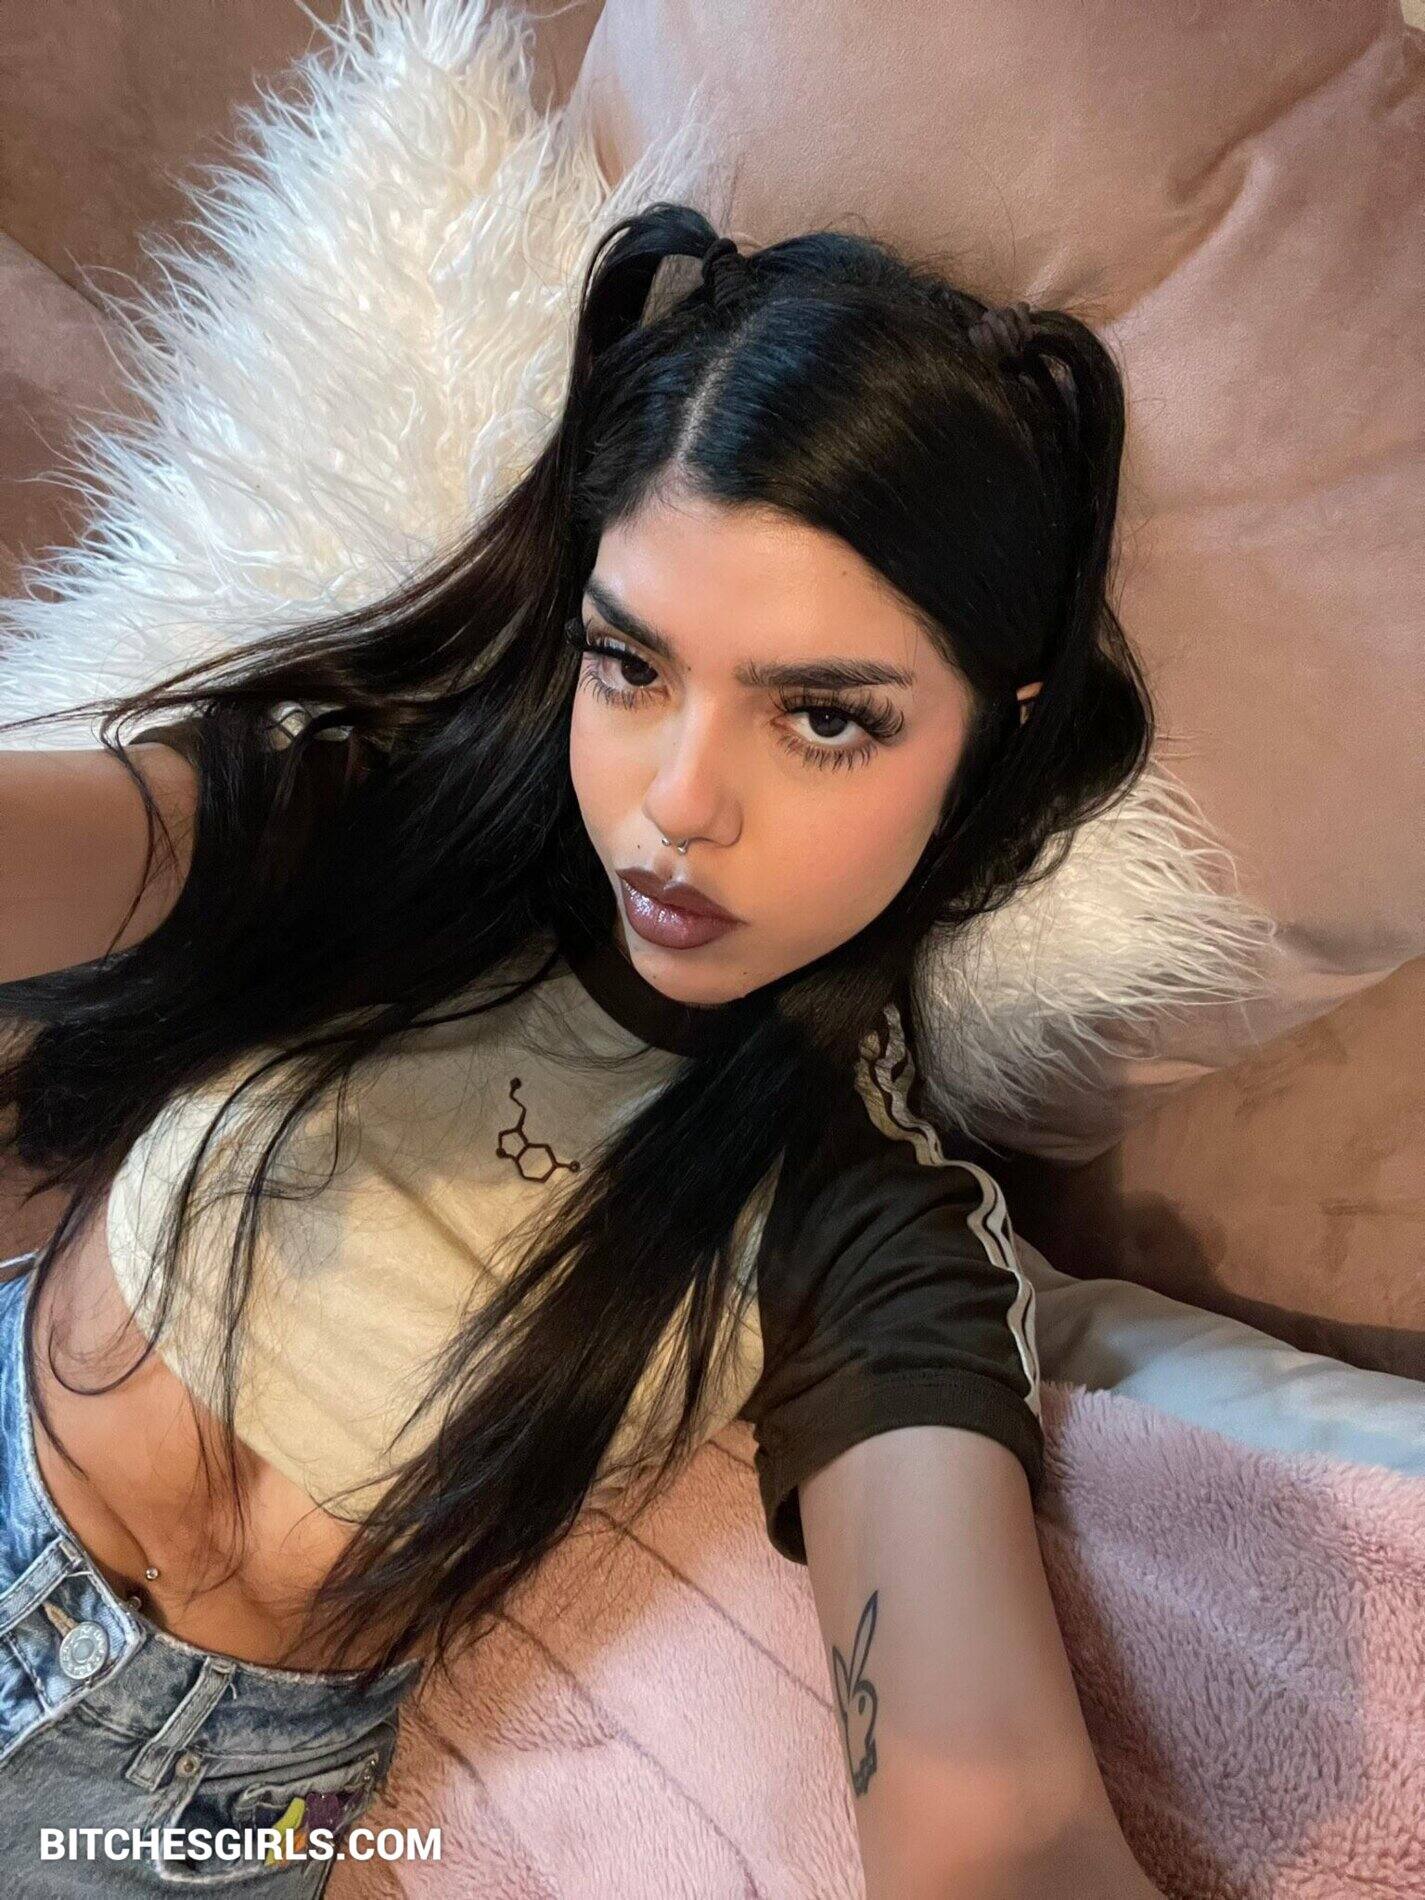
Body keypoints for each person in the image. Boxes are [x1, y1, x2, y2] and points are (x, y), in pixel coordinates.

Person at [0, 206, 1164, 1896]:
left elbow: (1000, 1831)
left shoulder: (867, 1222)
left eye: (823, 716)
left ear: (995, 733)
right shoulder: (359, 824)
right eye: (629, 665)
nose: (676, 805)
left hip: (190, 1808)